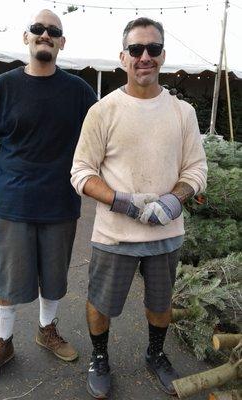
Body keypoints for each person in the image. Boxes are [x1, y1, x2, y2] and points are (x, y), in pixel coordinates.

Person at [71, 17, 207, 398]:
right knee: (101, 303)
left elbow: (196, 169)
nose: (144, 56)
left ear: (163, 55)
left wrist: (174, 198)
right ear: (123, 57)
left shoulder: (183, 113)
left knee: (160, 303)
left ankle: (155, 353)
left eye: (152, 49)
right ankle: (99, 357)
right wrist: (123, 201)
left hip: (166, 233)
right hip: (115, 234)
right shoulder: (103, 111)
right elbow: (80, 171)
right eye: (136, 50)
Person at [0, 9, 97, 385]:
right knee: (9, 281)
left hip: (60, 205)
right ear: (26, 38)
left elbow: (105, 137)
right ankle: (2, 343)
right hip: (14, 205)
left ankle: (46, 329)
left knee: (54, 279)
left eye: (53, 31)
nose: (45, 35)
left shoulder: (79, 91)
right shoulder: (4, 86)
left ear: (61, 42)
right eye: (37, 29)